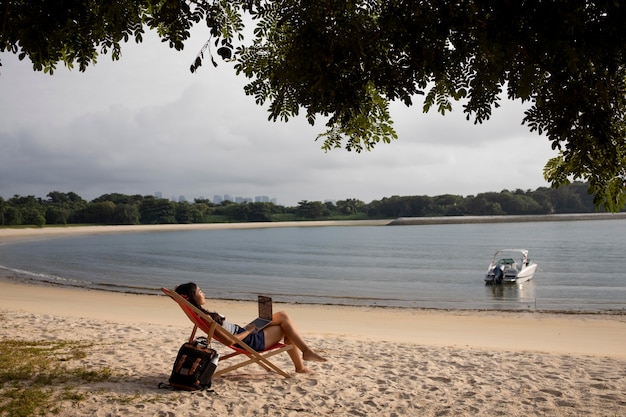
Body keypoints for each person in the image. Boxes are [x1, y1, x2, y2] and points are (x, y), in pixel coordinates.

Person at [175, 282, 327, 374]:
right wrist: (248, 330)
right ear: (192, 296)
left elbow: (230, 334)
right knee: (286, 325)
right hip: (249, 341)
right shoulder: (206, 318)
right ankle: (304, 356)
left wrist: (248, 328)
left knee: (282, 316)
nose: (204, 293)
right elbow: (229, 341)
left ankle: (304, 358)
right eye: (200, 291)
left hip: (244, 333)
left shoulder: (202, 315)